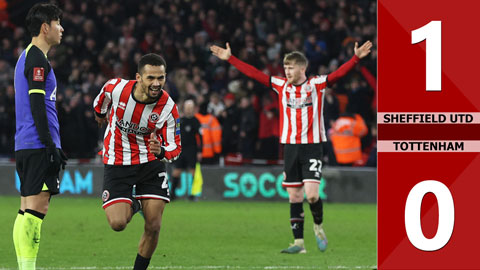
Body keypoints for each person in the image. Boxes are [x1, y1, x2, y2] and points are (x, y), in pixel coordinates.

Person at [210, 40, 372, 253]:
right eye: (285, 67)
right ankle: (299, 243)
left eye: (291, 67)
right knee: (294, 196)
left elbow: (337, 75)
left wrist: (356, 58)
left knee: (312, 195)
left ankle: (318, 226)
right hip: (291, 147)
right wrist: (230, 59)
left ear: (302, 68)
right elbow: (255, 74)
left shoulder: (316, 84)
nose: (286, 71)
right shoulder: (281, 85)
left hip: (312, 146)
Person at [93, 53, 181, 270]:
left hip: (150, 164)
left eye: (161, 78)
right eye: (150, 78)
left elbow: (175, 148)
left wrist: (161, 152)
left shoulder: (168, 107)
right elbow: (100, 101)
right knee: (117, 223)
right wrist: (100, 113)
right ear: (138, 77)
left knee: (153, 225)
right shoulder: (116, 88)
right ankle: (135, 202)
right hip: (118, 160)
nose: (156, 83)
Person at [12, 4, 67, 269]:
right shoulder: (36, 59)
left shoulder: (26, 56)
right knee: (37, 209)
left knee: (26, 209)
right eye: (58, 23)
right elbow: (37, 105)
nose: (62, 29)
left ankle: (25, 266)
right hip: (37, 144)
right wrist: (49, 144)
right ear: (45, 27)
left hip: (26, 143)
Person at [170, 99, 202, 200]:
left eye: (190, 108)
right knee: (177, 171)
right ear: (184, 108)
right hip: (181, 149)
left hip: (192, 150)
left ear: (193, 109)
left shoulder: (196, 121)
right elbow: (175, 134)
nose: (188, 110)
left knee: (193, 171)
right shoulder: (180, 120)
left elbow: (201, 137)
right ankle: (173, 194)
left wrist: (200, 151)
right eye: (187, 108)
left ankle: (192, 194)